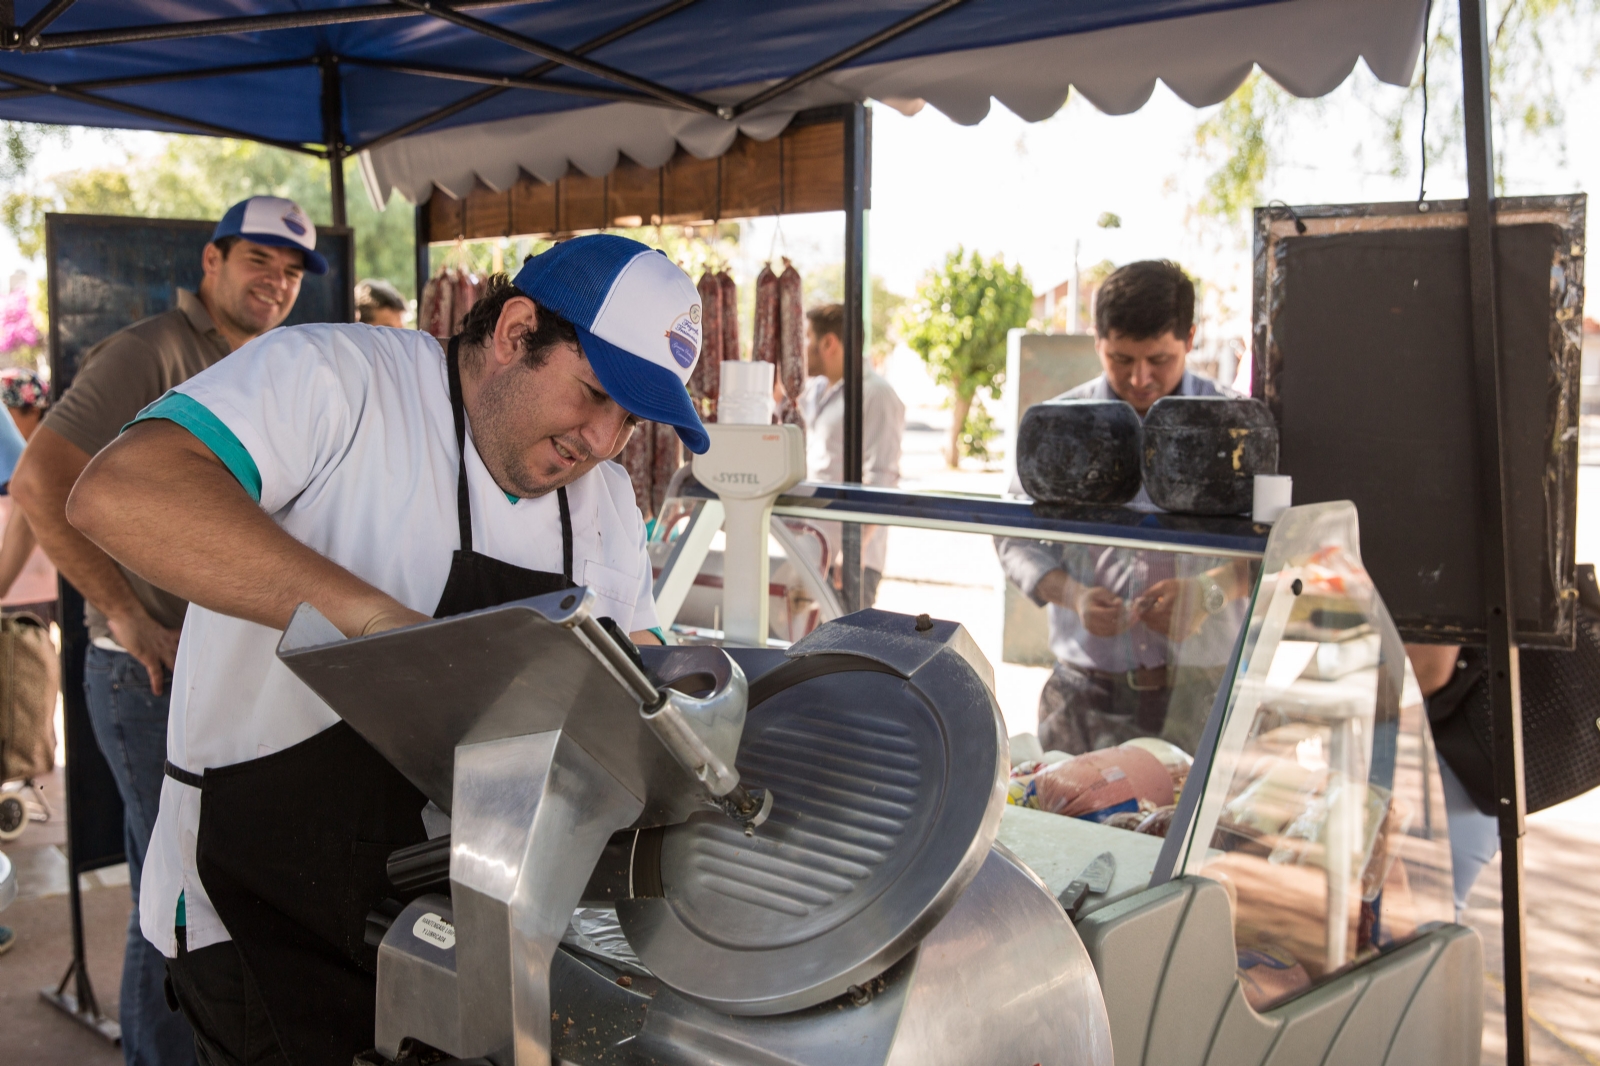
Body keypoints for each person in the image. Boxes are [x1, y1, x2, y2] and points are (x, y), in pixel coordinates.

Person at [66, 234, 707, 1065]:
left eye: (631, 420)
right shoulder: (337, 379)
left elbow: (630, 681)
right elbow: (121, 491)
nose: (602, 439)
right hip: (261, 905)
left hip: (463, 924)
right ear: (515, 331)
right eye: (593, 395)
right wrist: (379, 627)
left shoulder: (607, 501)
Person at [11, 195, 322, 1066]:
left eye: (291, 272)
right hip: (146, 673)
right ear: (210, 262)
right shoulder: (151, 351)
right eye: (259, 261)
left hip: (221, 670)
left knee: (189, 886)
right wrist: (124, 613)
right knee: (178, 900)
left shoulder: (267, 363)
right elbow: (40, 483)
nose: (277, 283)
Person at [996, 260, 1252, 755]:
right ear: (1097, 341)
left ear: (1190, 338)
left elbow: (1282, 547)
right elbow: (1013, 536)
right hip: (1085, 694)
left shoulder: (1237, 429)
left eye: (1159, 359)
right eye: (1121, 359)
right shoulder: (1056, 427)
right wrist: (1073, 595)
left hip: (1202, 695)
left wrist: (1210, 592)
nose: (1139, 378)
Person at [797, 303, 905, 606]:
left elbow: (882, 479)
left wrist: (854, 550)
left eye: (806, 337)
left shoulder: (876, 395)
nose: (800, 347)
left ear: (828, 343)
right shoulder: (814, 390)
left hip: (847, 562)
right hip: (810, 552)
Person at [0, 368, 59, 619]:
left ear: (34, 411)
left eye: (9, 409)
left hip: (30, 588)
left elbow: (30, 494)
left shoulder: (43, 456)